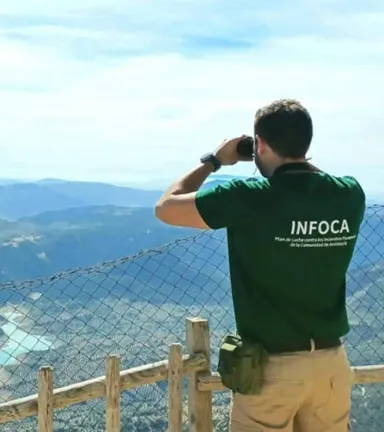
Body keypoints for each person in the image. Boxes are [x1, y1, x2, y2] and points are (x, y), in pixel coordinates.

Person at [153, 98, 366, 431]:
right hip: (331, 366)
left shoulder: (248, 197)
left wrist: (214, 160)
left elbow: (166, 207)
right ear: (307, 144)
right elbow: (312, 184)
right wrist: (295, 158)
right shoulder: (349, 194)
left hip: (272, 371)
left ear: (260, 144)